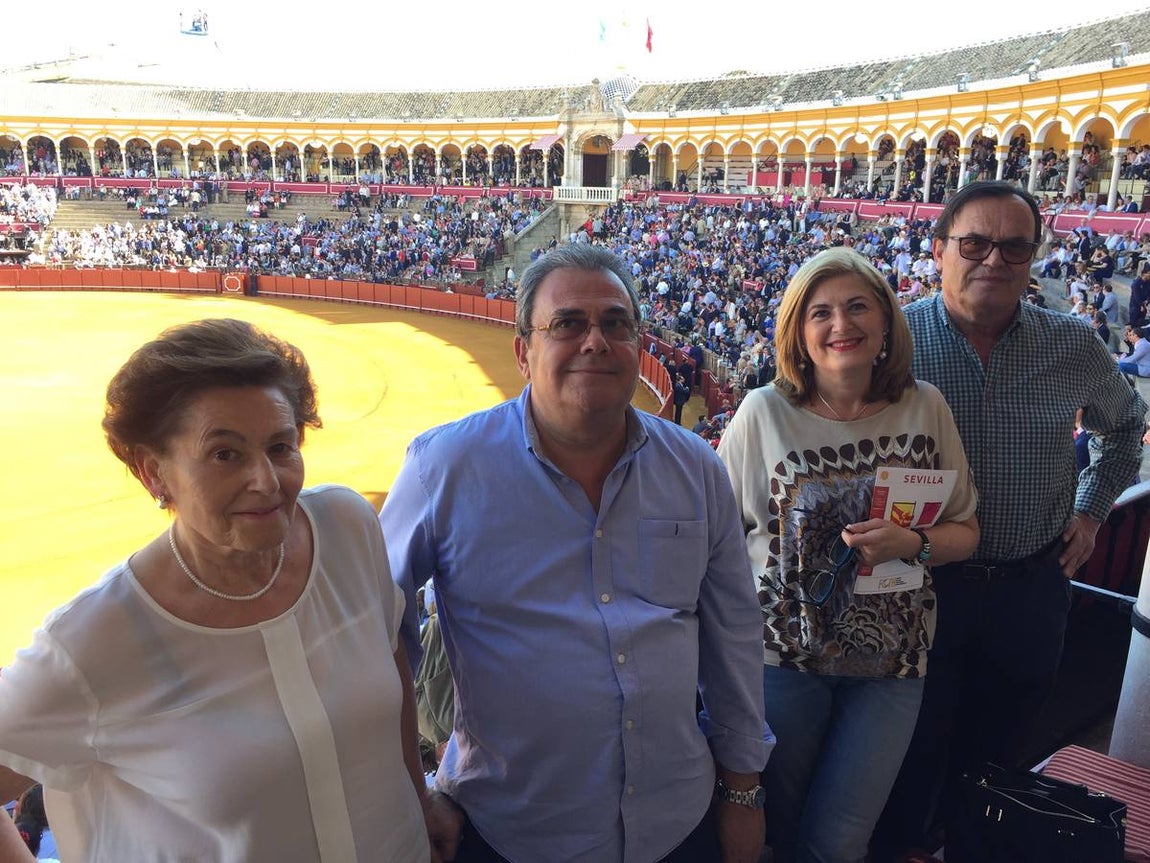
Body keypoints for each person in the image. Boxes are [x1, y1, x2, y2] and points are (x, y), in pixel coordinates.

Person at [381, 243, 772, 863]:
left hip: (678, 821)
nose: (595, 341)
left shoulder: (695, 466)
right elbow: (379, 632)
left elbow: (734, 634)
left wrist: (743, 792)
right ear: (523, 350)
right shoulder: (444, 467)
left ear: (638, 345)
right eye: (568, 324)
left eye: (615, 323)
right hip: (510, 829)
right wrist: (409, 790)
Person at [0, 319, 432, 862]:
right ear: (153, 472)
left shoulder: (346, 525)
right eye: (225, 454)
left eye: (281, 446)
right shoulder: (93, 639)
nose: (267, 481)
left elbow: (388, 654)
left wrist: (420, 799)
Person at [872, 181, 1146, 861]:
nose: (994, 258)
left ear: (1033, 259)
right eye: (974, 242)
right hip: (921, 587)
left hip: (1032, 587)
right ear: (938, 250)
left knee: (997, 760)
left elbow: (1127, 428)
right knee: (907, 753)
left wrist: (1090, 511)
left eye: (1014, 246)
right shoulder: (892, 343)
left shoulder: (1073, 345)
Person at [718, 247, 979, 863]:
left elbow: (966, 529)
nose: (842, 325)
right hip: (782, 661)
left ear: (887, 321)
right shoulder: (762, 413)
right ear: (797, 331)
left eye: (859, 306)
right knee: (776, 830)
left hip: (893, 667)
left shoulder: (925, 407)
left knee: (839, 839)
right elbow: (718, 541)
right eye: (821, 312)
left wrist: (913, 544)